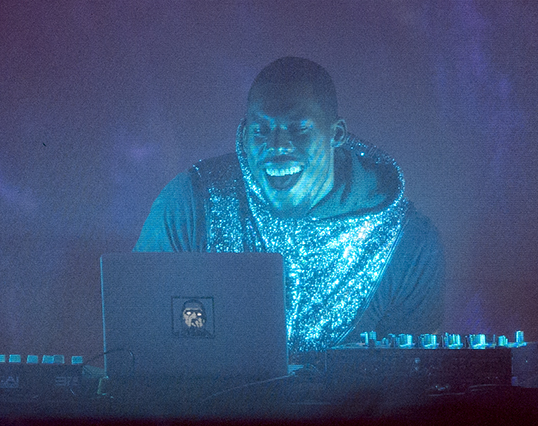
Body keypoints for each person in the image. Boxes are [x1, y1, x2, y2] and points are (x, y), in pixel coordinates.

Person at [134, 57, 444, 354]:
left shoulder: (408, 243)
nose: (277, 146)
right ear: (245, 133)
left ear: (336, 134)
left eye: (298, 129)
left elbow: (411, 380)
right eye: (261, 130)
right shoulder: (190, 203)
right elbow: (139, 338)